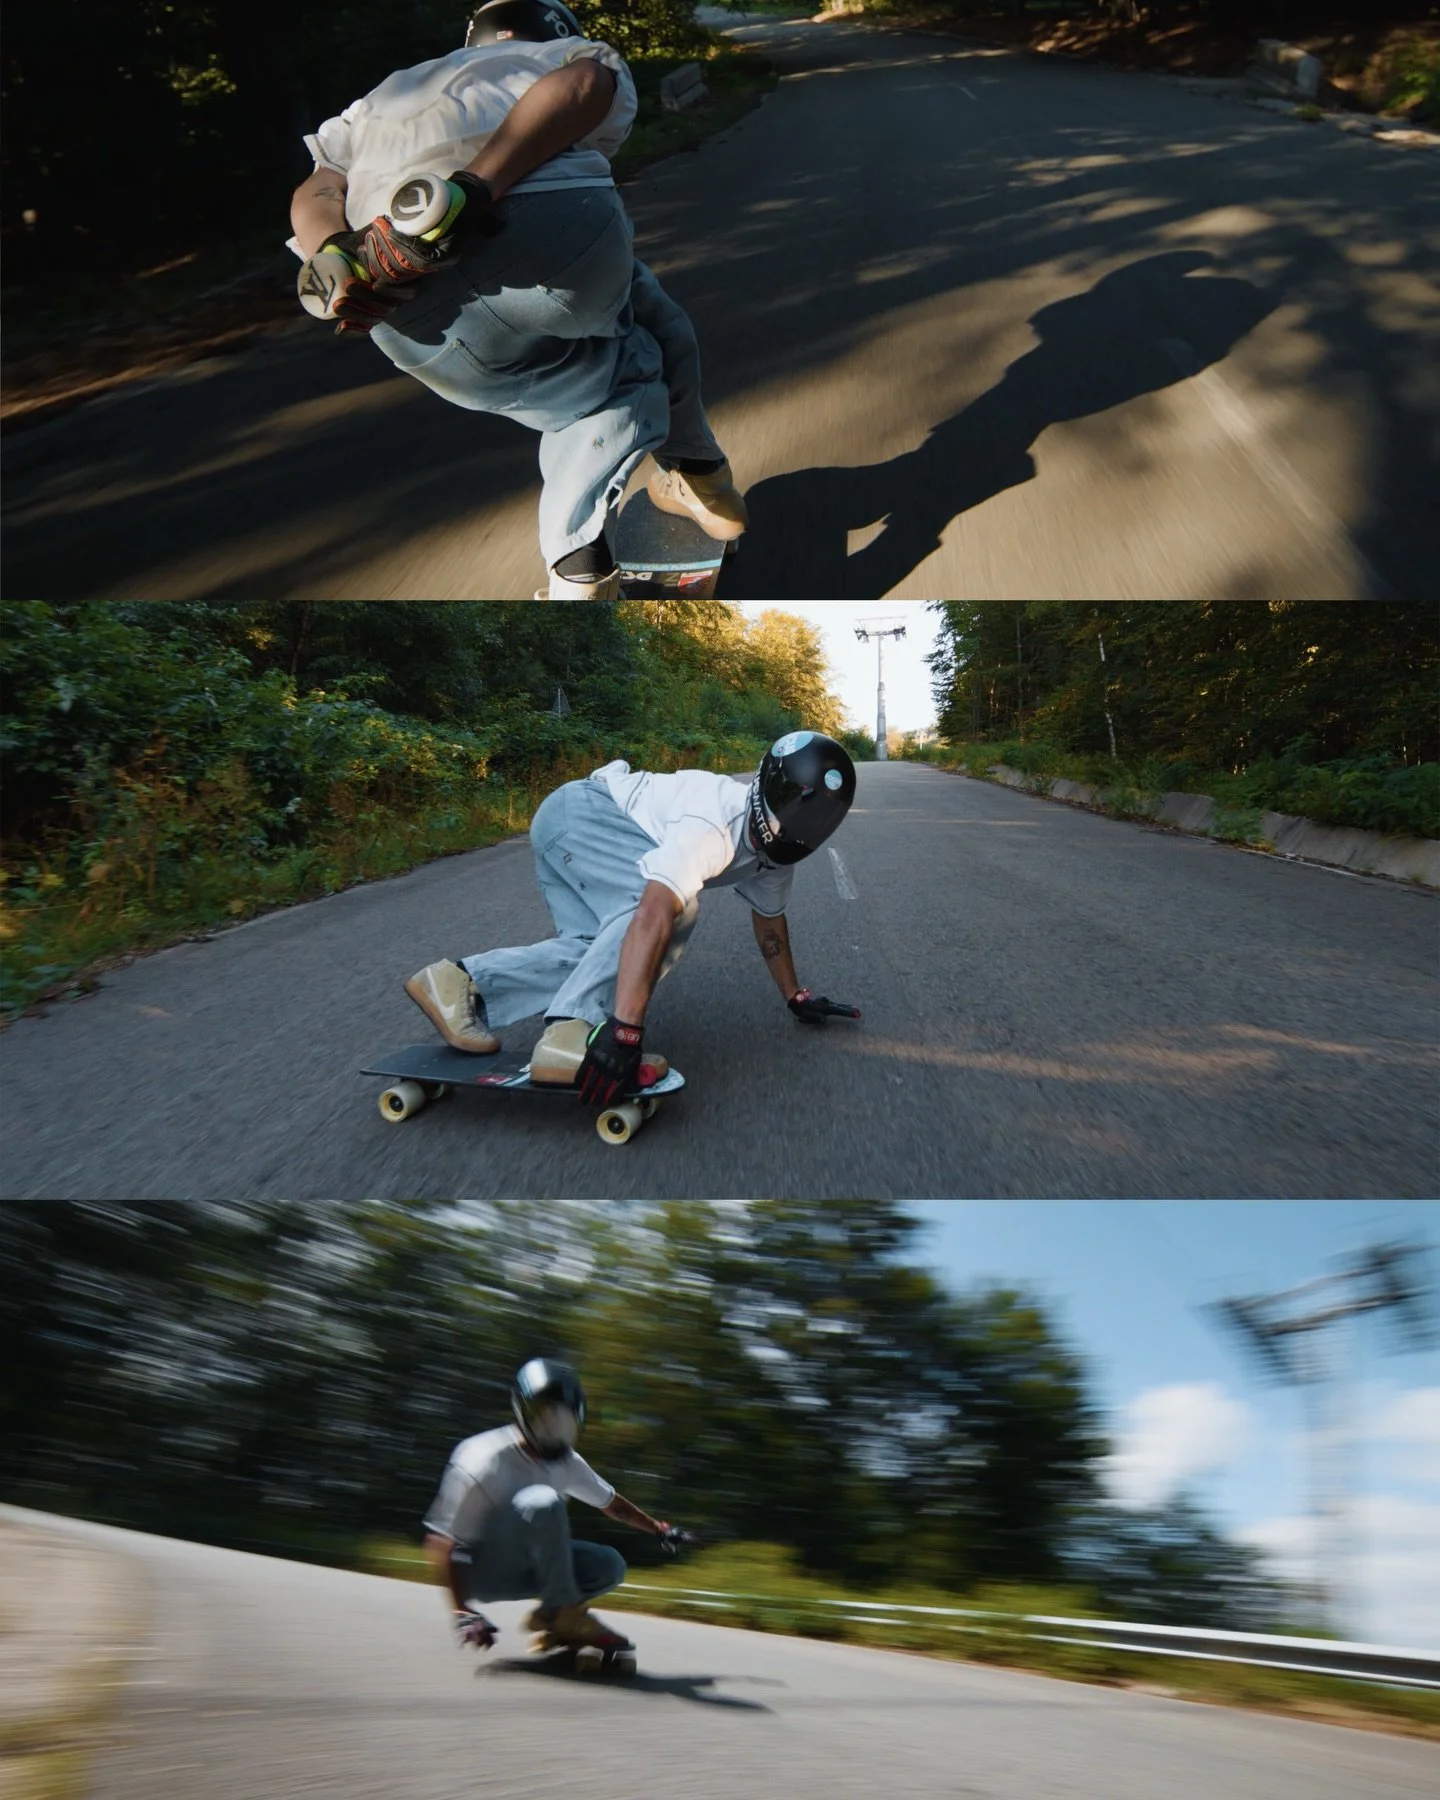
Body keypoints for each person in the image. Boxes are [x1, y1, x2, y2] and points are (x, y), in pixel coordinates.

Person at [287, 1, 747, 599]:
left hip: (392, 277)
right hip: (550, 217)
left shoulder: (389, 92)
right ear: (555, 28)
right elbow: (585, 84)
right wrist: (475, 188)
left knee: (635, 320)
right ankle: (578, 556)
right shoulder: (562, 53)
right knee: (626, 369)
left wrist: (332, 248)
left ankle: (699, 480)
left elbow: (317, 184)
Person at [403, 730, 862, 1106]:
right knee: (672, 912)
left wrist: (794, 996)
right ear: (767, 782)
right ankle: (570, 1034)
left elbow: (770, 923)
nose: (792, 828)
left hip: (570, 826)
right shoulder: (715, 822)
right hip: (581, 815)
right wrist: (625, 1033)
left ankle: (460, 982)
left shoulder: (775, 859)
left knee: (600, 952)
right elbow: (654, 914)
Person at [424, 1358, 689, 1653]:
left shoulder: (568, 1462)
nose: (554, 1430)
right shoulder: (483, 1458)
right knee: (544, 1500)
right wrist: (461, 1612)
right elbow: (442, 1541)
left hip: (527, 1570)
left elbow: (612, 1504)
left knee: (609, 1565)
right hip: (483, 1573)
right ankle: (568, 1614)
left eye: (563, 1421)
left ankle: (555, 1619)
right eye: (545, 1418)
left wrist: (659, 1530)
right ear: (522, 1411)